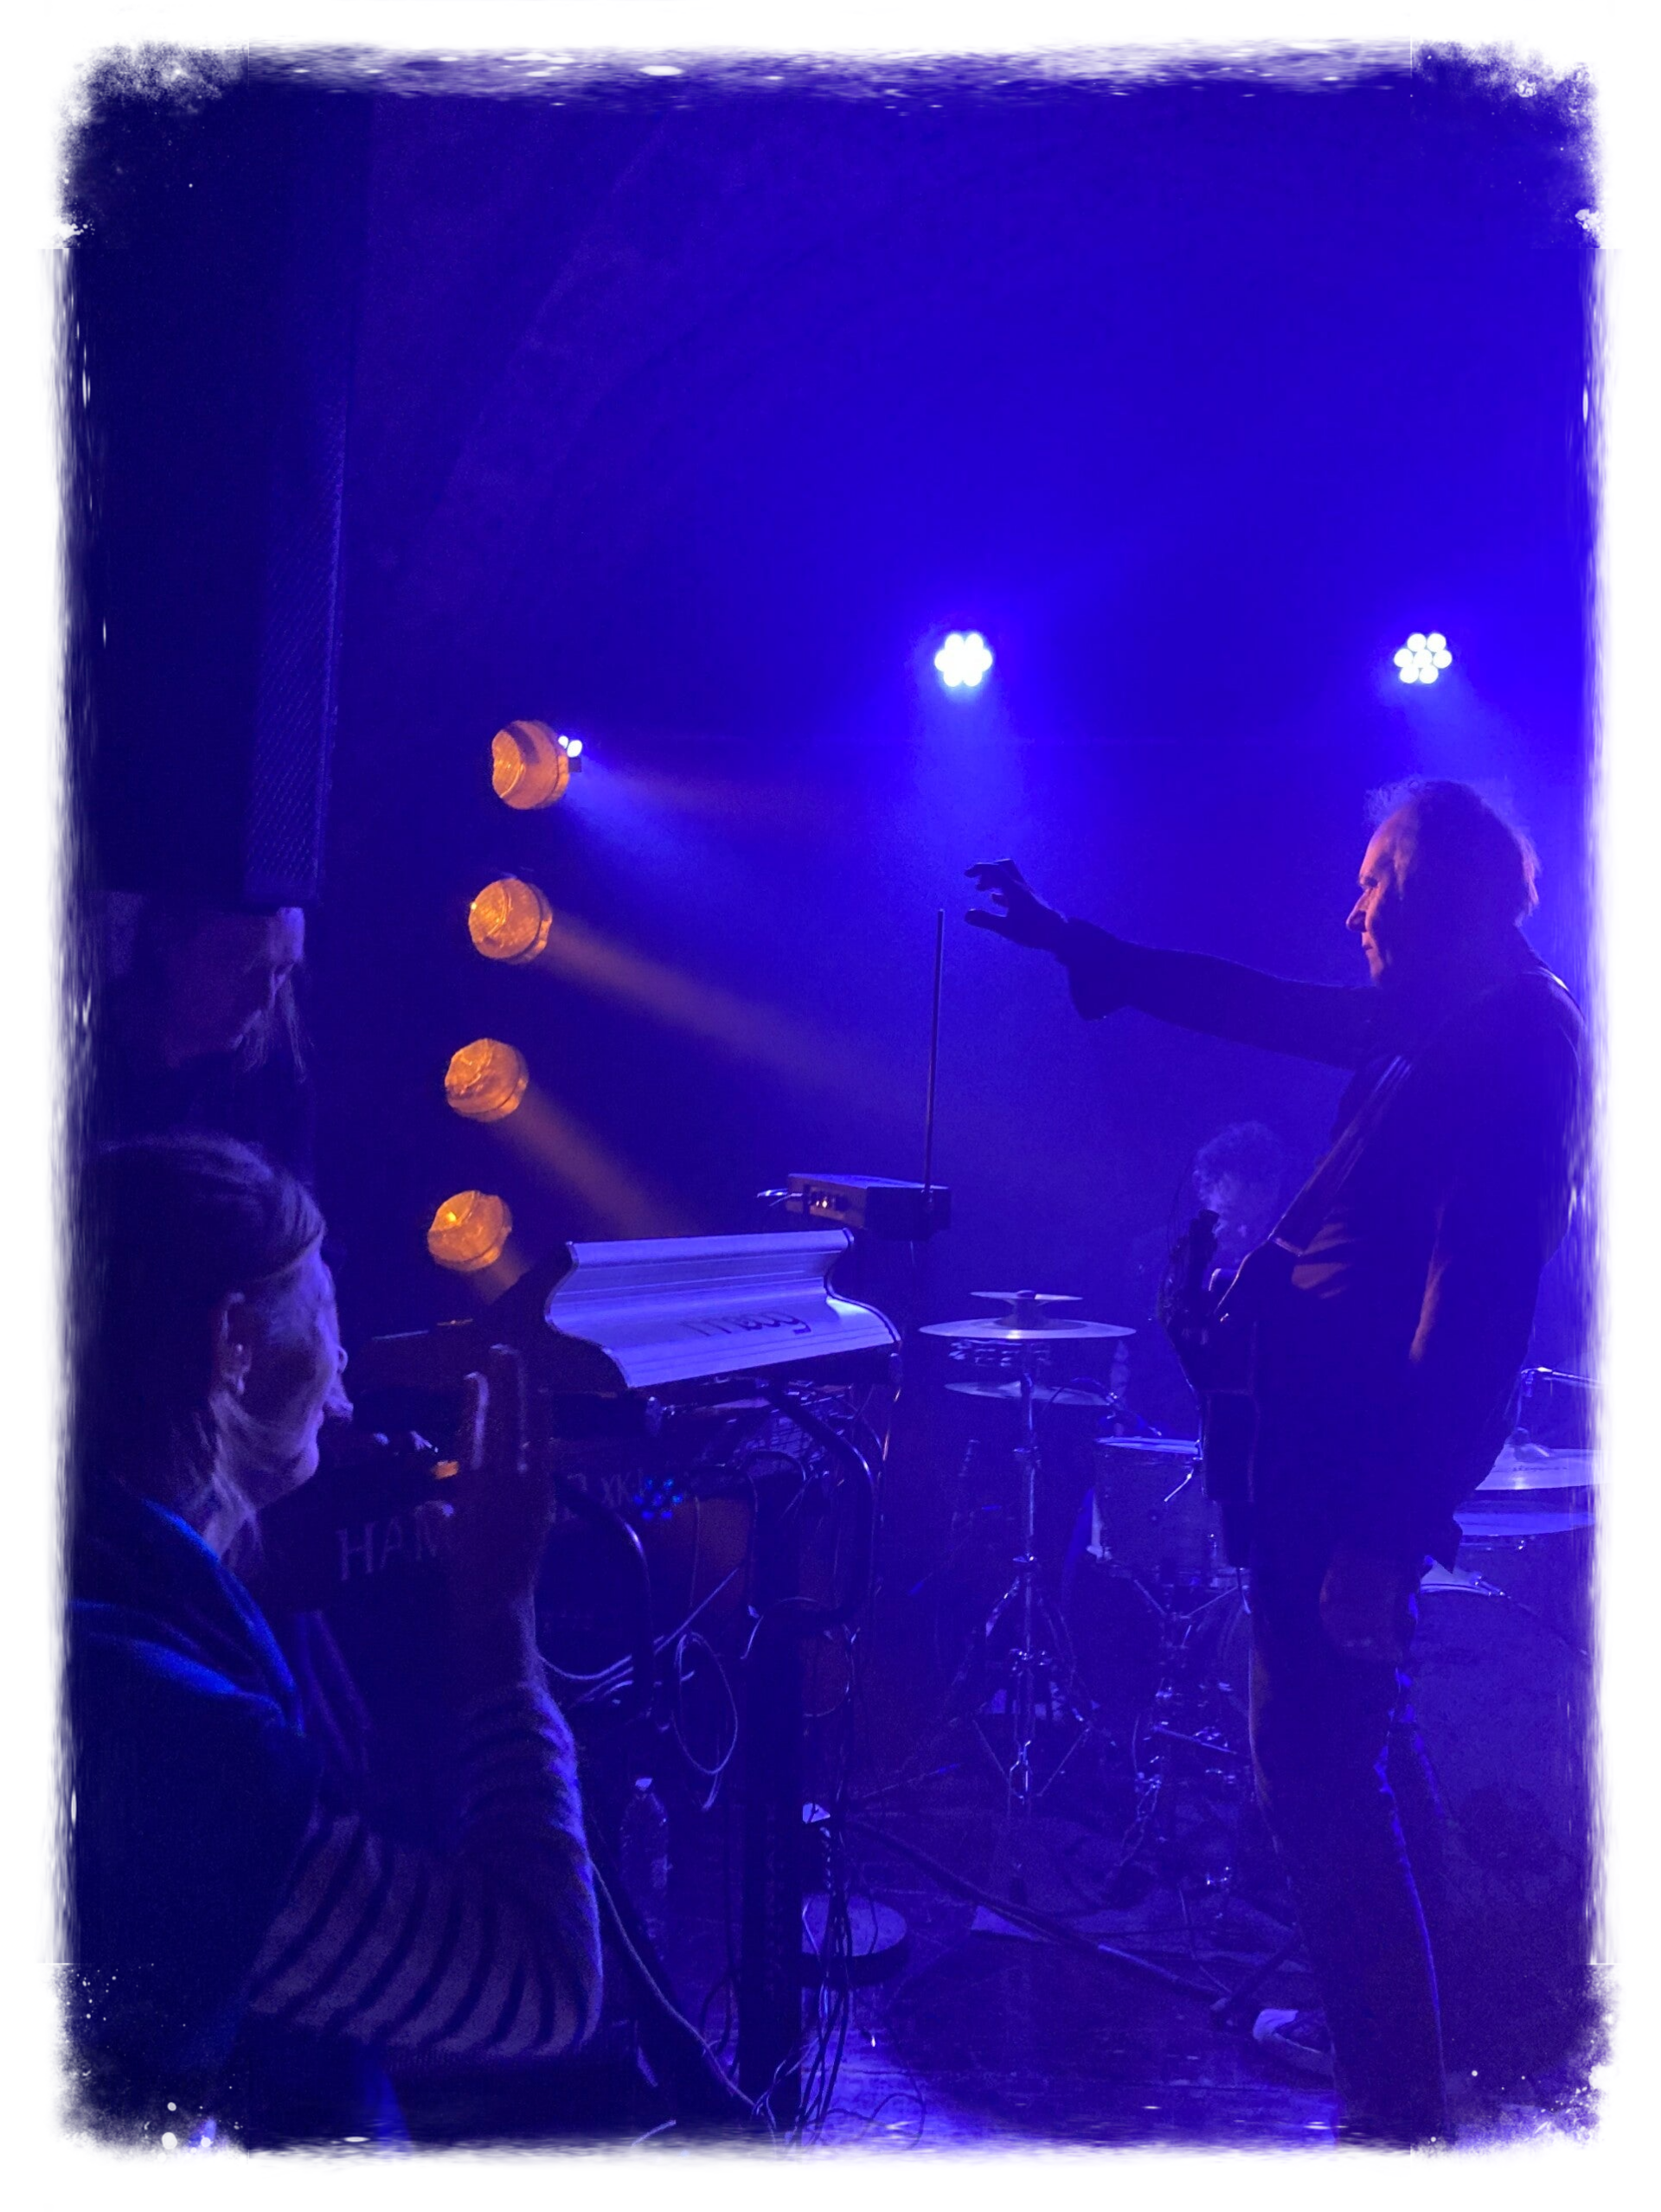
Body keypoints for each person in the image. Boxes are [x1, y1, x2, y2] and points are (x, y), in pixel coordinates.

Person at [965, 779, 1587, 2145]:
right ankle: (1414, 2051)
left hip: (1356, 1477)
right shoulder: (1448, 1018)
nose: (1354, 910)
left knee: (1313, 1774)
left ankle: (1394, 2112)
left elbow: (1478, 1310)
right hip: (1331, 1461)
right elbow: (1257, 1002)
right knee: (1362, 1749)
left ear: (1437, 891)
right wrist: (1079, 943)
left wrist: (1385, 1530)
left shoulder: (1507, 1040)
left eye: (1376, 881)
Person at [66, 1133, 603, 2147]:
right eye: (326, 1313)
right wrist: (499, 1620)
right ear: (234, 1342)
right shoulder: (168, 1736)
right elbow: (543, 1985)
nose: (345, 1365)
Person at [84, 897, 316, 1180]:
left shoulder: (278, 1070)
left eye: (282, 971)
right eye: (245, 968)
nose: (266, 999)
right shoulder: (84, 1051)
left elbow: (297, 1203)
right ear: (171, 947)